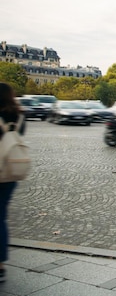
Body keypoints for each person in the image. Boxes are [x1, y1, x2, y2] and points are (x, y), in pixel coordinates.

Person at [0, 83, 26, 282]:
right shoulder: (19, 116)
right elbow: (20, 135)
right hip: (12, 169)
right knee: (1, 217)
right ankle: (0, 264)